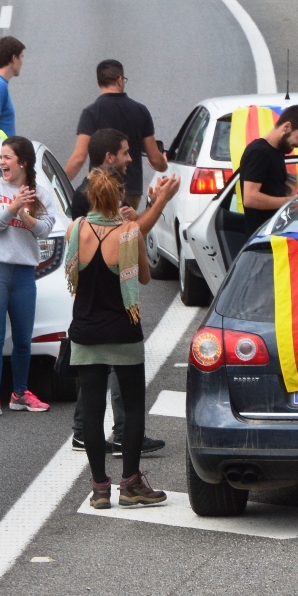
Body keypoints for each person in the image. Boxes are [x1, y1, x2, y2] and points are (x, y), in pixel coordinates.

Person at [65, 168, 180, 509]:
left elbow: (72, 274)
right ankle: (130, 483)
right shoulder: (130, 233)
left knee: (92, 409)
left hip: (85, 331)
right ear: (119, 197)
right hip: (123, 331)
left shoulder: (76, 229)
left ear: (90, 197)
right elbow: (143, 278)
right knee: (131, 408)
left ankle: (100, 488)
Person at [0, 137, 60, 418]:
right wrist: (12, 207)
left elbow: (45, 230)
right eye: (1, 157)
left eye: (7, 157)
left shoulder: (39, 193)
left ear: (22, 162)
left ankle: (20, 394)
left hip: (24, 273)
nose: (2, 162)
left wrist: (24, 213)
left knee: (23, 339)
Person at [64, 59, 167, 202]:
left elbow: (79, 158)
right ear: (120, 80)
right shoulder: (140, 110)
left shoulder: (91, 112)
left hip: (100, 189)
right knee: (128, 217)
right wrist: (164, 164)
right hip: (130, 190)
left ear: (98, 82)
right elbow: (155, 160)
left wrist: (59, 183)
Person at [238, 104, 298, 233]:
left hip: (273, 231)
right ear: (286, 127)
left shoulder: (276, 152)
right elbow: (250, 199)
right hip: (262, 235)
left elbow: (273, 192)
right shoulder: (259, 152)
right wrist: (294, 201)